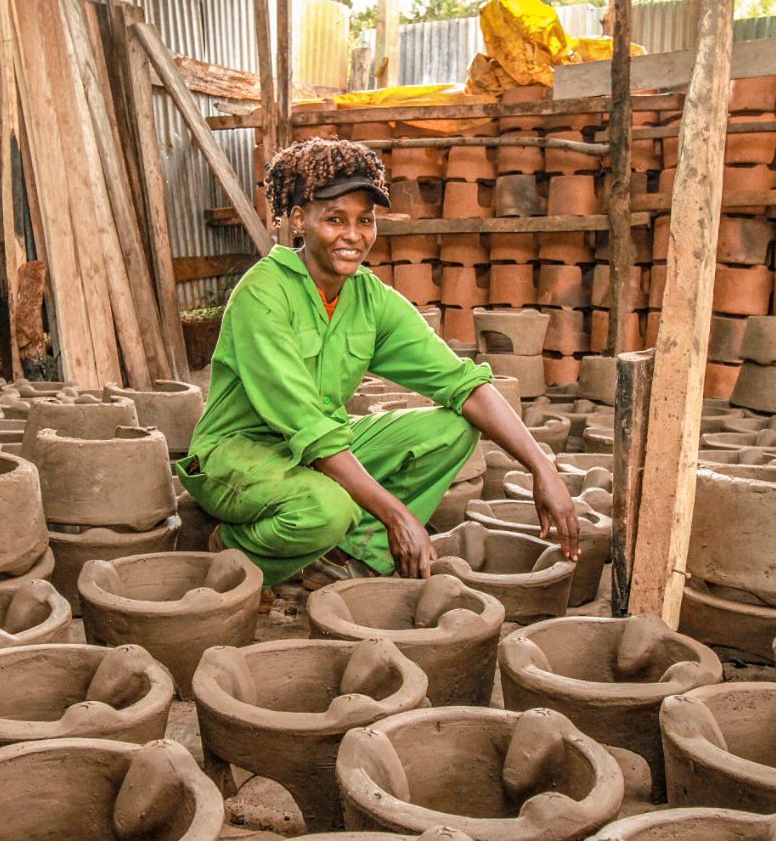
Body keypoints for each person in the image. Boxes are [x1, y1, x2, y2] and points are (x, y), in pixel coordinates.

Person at [176, 137, 579, 589]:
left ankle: (347, 555)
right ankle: (226, 547)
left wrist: (543, 469)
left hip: (315, 454)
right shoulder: (263, 294)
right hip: (238, 456)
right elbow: (307, 424)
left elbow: (464, 384)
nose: (353, 235)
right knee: (325, 510)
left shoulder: (370, 298)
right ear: (297, 221)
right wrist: (397, 513)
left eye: (364, 220)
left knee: (455, 428)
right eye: (334, 219)